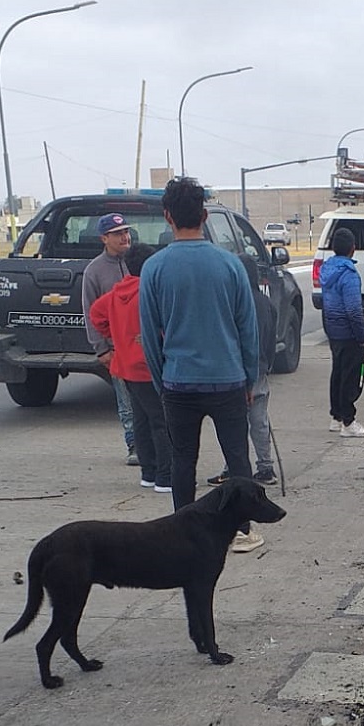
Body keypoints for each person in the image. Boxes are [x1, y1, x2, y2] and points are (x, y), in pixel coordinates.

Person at [139, 177, 259, 521]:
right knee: (238, 458)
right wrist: (249, 378)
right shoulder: (230, 265)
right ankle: (242, 529)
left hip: (178, 383)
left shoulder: (154, 268)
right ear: (205, 216)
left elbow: (149, 335)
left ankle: (182, 529)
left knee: (183, 461)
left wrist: (162, 381)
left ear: (167, 216)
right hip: (229, 381)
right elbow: (247, 329)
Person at [89, 243, 172, 493]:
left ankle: (148, 472)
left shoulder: (116, 293)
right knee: (161, 420)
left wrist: (113, 336)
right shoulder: (150, 292)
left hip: (125, 365)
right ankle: (165, 476)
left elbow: (96, 313)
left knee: (141, 419)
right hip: (149, 365)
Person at [207, 252, 279, 489]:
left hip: (237, 370)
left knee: (235, 422)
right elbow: (271, 338)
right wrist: (266, 364)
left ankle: (233, 468)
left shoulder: (234, 301)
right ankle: (265, 467)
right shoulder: (266, 302)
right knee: (259, 420)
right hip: (260, 368)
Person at [82, 212, 138, 464]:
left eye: (126, 232)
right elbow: (90, 312)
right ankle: (134, 444)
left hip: (142, 347)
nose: (124, 237)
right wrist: (102, 349)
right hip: (116, 349)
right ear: (104, 238)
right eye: (117, 234)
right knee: (125, 400)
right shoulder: (94, 271)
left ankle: (154, 443)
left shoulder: (137, 262)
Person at [320, 227, 364, 437]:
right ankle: (349, 422)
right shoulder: (349, 274)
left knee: (338, 372)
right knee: (351, 376)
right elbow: (353, 309)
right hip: (349, 332)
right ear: (353, 249)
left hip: (333, 330)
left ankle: (337, 416)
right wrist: (361, 336)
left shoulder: (326, 270)